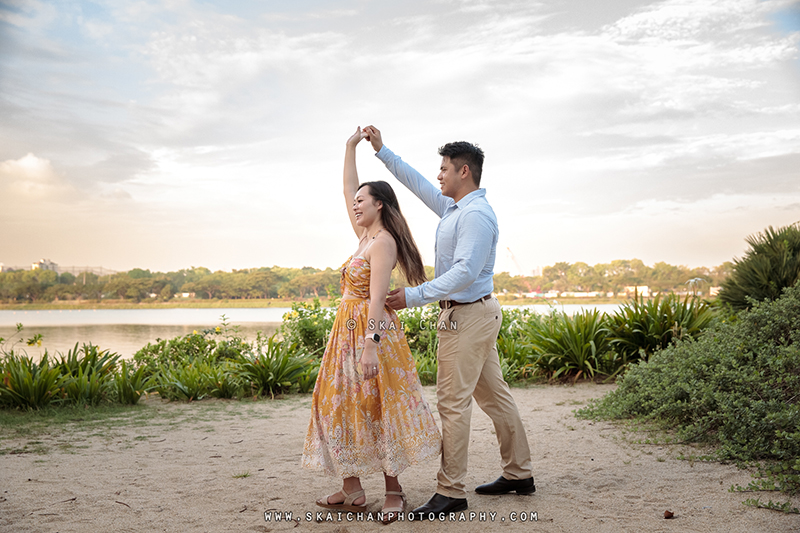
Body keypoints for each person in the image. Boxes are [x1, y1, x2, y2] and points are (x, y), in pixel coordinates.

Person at [363, 125, 535, 518]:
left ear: (464, 173)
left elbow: (465, 273)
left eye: (444, 168)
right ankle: (518, 474)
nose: (438, 175)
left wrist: (412, 295)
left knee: (452, 404)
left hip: (469, 314)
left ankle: (450, 491)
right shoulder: (455, 209)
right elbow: (417, 184)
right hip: (475, 313)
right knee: (495, 396)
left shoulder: (476, 216)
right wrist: (382, 151)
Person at [301, 127, 442, 524]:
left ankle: (394, 491)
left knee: (379, 406)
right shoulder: (363, 234)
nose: (355, 205)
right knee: (335, 403)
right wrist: (349, 148)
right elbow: (348, 189)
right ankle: (352, 488)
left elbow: (377, 300)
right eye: (356, 201)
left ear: (379, 205)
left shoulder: (382, 243)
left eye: (363, 201)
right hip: (343, 333)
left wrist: (370, 345)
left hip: (370, 333)